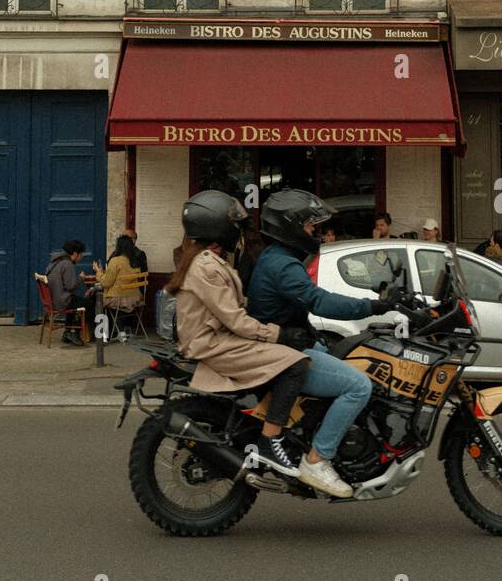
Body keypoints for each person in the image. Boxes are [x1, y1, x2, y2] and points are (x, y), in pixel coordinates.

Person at [246, 189, 402, 500]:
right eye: (309, 227)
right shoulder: (283, 265)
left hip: (288, 344)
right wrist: (373, 306)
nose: (315, 233)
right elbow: (319, 302)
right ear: (290, 228)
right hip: (281, 353)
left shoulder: (280, 258)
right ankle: (317, 459)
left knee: (353, 361)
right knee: (358, 386)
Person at [167, 190, 313, 483]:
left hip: (216, 339)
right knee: (296, 364)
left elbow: (232, 311)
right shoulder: (207, 265)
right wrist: (278, 334)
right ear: (218, 227)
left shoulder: (204, 259)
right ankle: (270, 442)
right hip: (213, 345)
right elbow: (234, 319)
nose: (239, 231)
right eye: (235, 225)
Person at [46, 239, 95, 347]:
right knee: (90, 304)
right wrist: (81, 278)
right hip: (62, 301)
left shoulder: (53, 262)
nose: (82, 257)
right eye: (81, 254)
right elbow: (71, 286)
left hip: (53, 300)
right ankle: (74, 332)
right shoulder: (67, 264)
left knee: (77, 300)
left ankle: (68, 331)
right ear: (75, 254)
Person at [94, 233, 145, 320]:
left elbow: (106, 283)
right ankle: (119, 328)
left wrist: (98, 272)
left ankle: (102, 330)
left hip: (119, 300)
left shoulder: (115, 261)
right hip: (136, 299)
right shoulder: (136, 260)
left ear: (119, 247)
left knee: (97, 297)